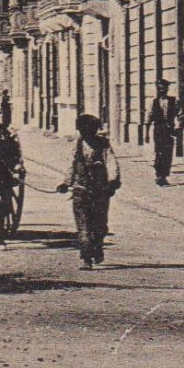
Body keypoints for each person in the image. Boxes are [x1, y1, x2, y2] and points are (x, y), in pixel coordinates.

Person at [56, 113, 121, 269]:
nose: (88, 133)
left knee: (100, 225)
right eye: (84, 130)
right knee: (83, 226)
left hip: (100, 190)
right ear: (80, 130)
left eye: (92, 129)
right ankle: (86, 258)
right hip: (81, 189)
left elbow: (111, 162)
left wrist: (112, 180)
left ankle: (98, 247)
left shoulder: (103, 145)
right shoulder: (77, 146)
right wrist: (66, 182)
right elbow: (71, 165)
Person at [141, 79, 184, 185]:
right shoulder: (153, 102)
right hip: (158, 131)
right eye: (160, 89)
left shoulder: (174, 101)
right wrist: (146, 134)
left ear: (167, 90)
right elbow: (148, 118)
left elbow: (181, 114)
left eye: (164, 89)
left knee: (168, 153)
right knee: (159, 152)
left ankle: (164, 176)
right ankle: (159, 175)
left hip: (170, 130)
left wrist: (179, 127)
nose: (162, 91)